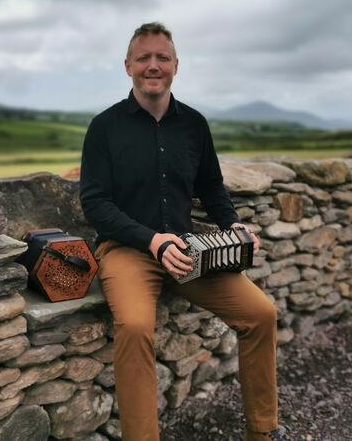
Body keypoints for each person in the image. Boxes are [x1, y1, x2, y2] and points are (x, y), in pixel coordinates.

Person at [79, 22, 286, 441]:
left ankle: (262, 431)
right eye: (144, 58)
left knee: (261, 315)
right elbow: (95, 203)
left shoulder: (194, 124)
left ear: (176, 65)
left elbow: (211, 186)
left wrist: (232, 224)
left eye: (162, 57)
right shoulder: (104, 127)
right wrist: (152, 241)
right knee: (135, 326)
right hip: (128, 251)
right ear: (128, 66)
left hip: (189, 253)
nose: (153, 65)